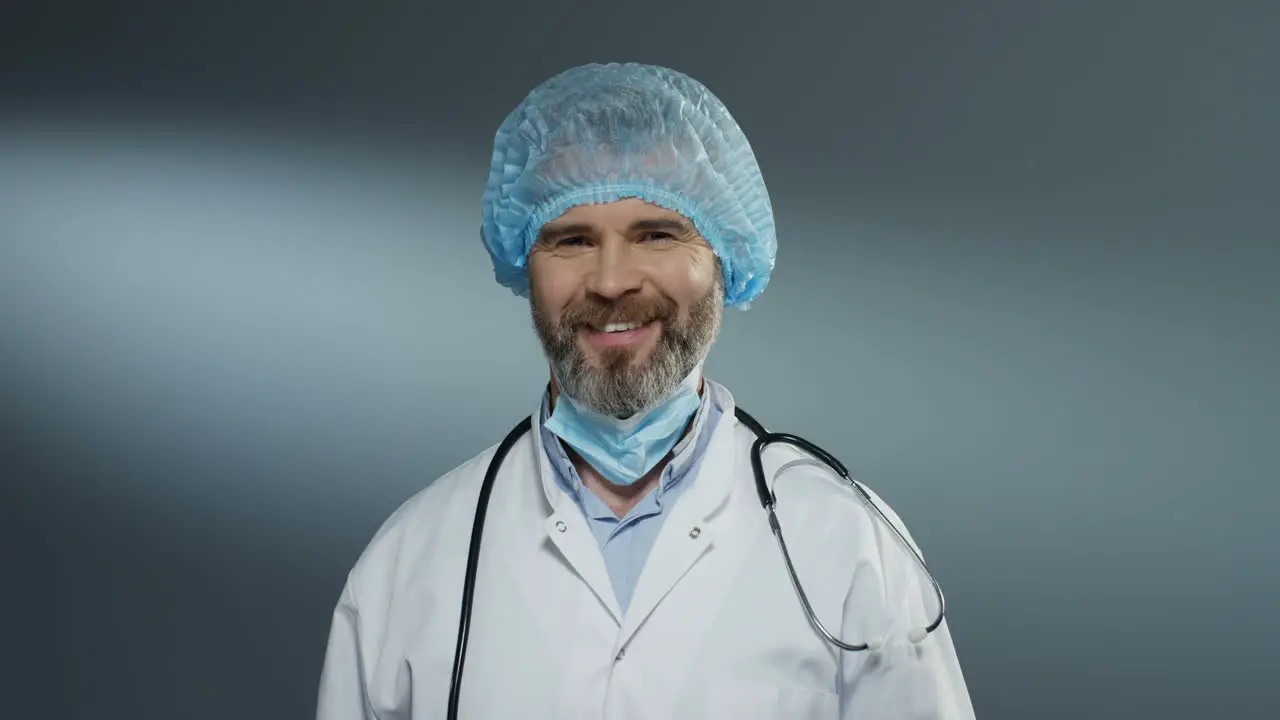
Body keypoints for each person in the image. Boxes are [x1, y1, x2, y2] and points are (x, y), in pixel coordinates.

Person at [315, 62, 975, 719]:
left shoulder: (846, 541)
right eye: (571, 240)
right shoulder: (412, 562)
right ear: (524, 262)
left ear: (724, 254)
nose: (610, 281)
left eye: (656, 234)